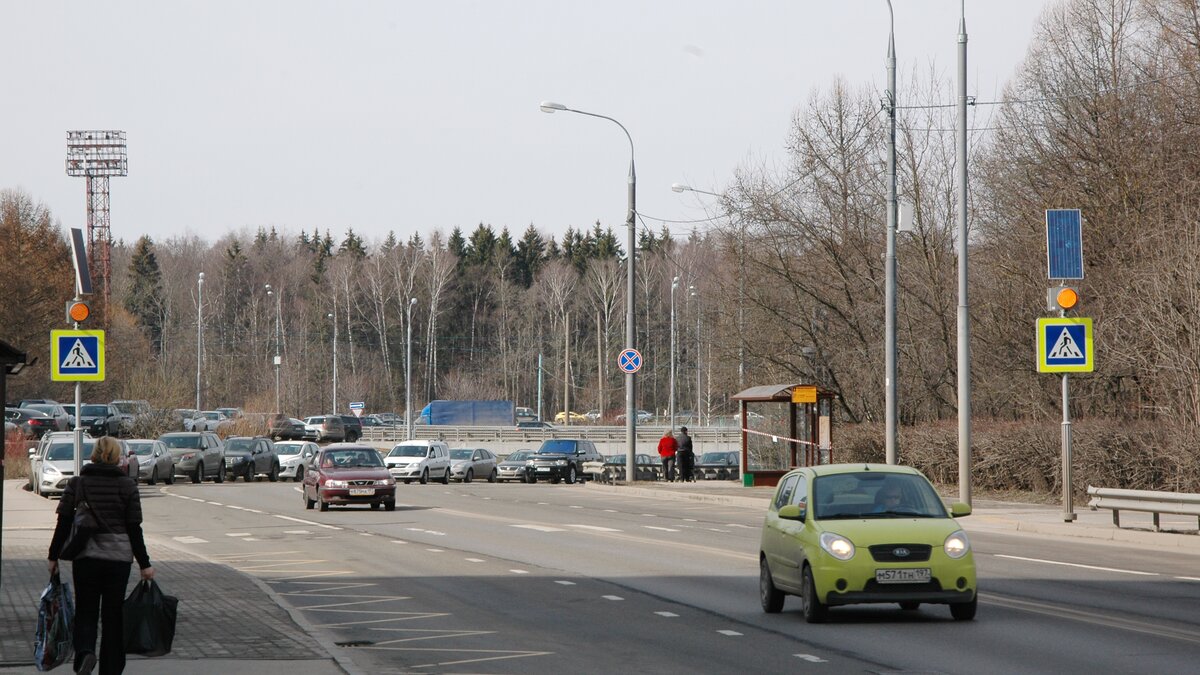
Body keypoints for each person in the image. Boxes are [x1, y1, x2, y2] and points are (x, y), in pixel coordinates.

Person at [48, 436, 153, 675]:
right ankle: (111, 669)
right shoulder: (127, 486)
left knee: (86, 610)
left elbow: (63, 522)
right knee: (113, 615)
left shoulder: (78, 483)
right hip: (118, 560)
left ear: (93, 454)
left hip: (86, 558)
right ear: (117, 457)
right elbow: (134, 527)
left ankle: (85, 653)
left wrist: (53, 556)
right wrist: (144, 564)